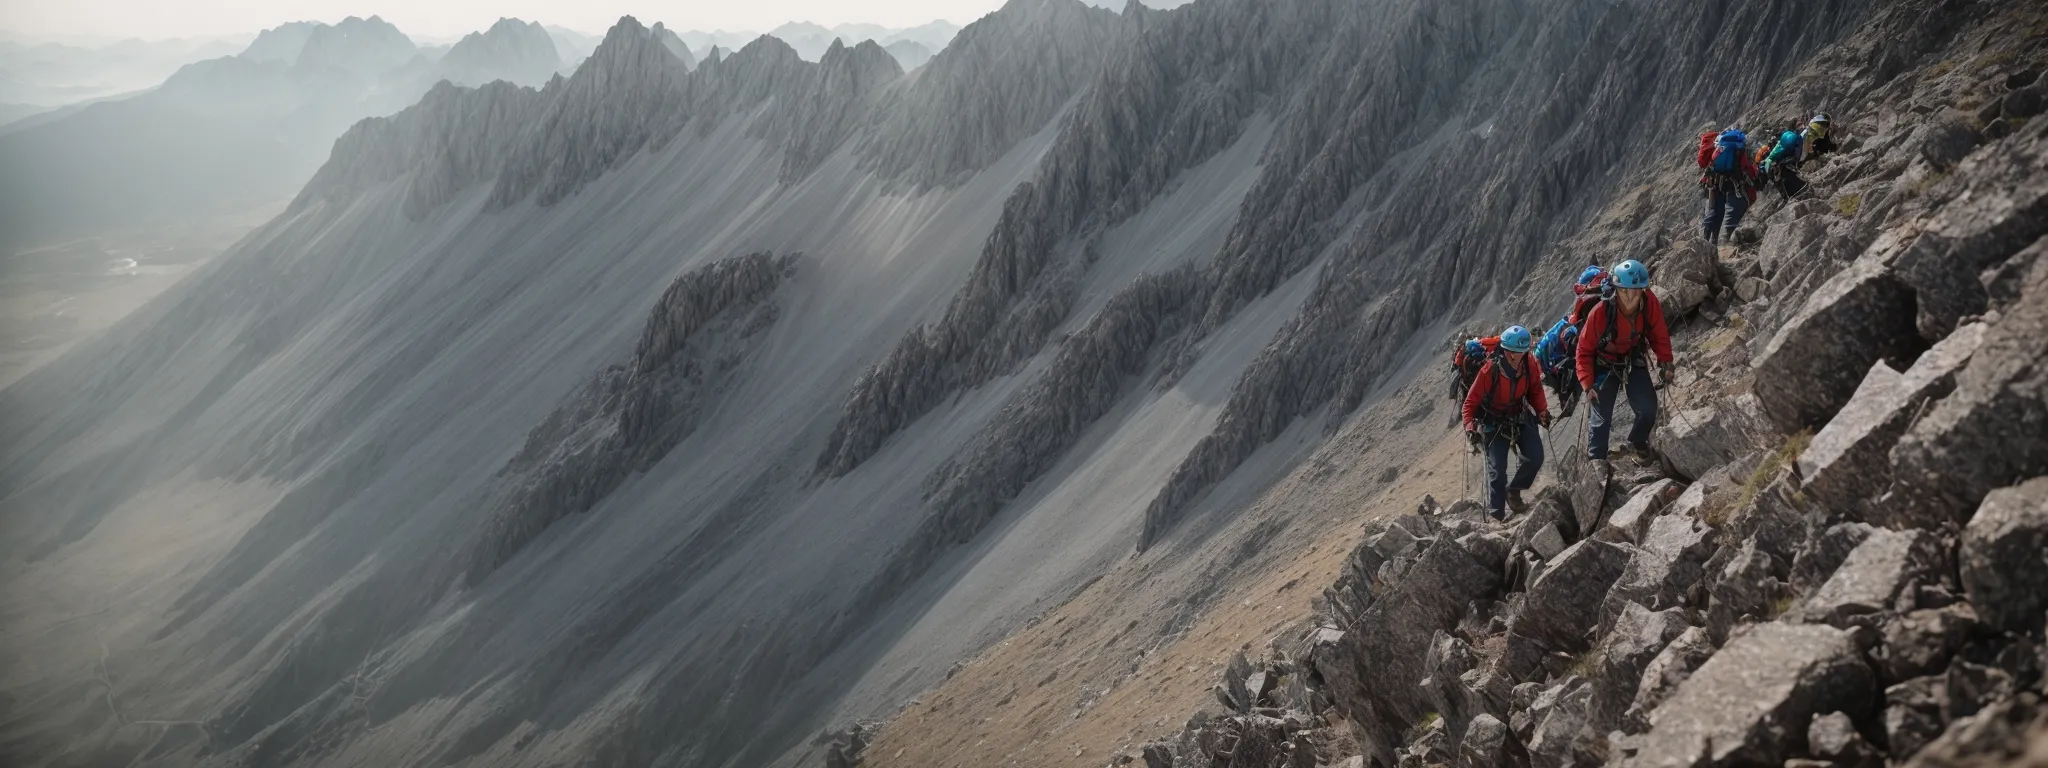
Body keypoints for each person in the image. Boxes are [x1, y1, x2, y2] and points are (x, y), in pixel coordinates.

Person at [1575, 259, 1674, 463]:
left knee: (1648, 409)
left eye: (1638, 290)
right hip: (1603, 364)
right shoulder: (1601, 312)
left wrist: (1665, 361)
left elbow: (1659, 334)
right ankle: (1597, 465)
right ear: (1617, 289)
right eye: (1626, 290)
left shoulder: (1649, 303)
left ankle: (1637, 443)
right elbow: (1583, 351)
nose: (1633, 295)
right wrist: (1588, 384)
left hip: (1631, 357)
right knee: (1601, 419)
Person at [1464, 324, 1551, 519]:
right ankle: (1497, 517)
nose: (1517, 357)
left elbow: (1535, 389)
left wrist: (1542, 411)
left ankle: (1514, 490)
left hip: (1518, 415)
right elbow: (1470, 403)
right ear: (1504, 350)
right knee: (1497, 472)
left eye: (1521, 353)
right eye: (1513, 353)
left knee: (1535, 457)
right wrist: (1470, 427)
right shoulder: (1489, 370)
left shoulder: (1529, 363)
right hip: (1492, 423)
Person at [1697, 127, 1759, 244]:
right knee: (1733, 208)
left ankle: (1706, 241)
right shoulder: (1739, 149)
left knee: (1715, 212)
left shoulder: (1717, 149)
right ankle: (1723, 241)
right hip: (1732, 183)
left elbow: (1707, 164)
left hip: (1715, 183)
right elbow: (1746, 168)